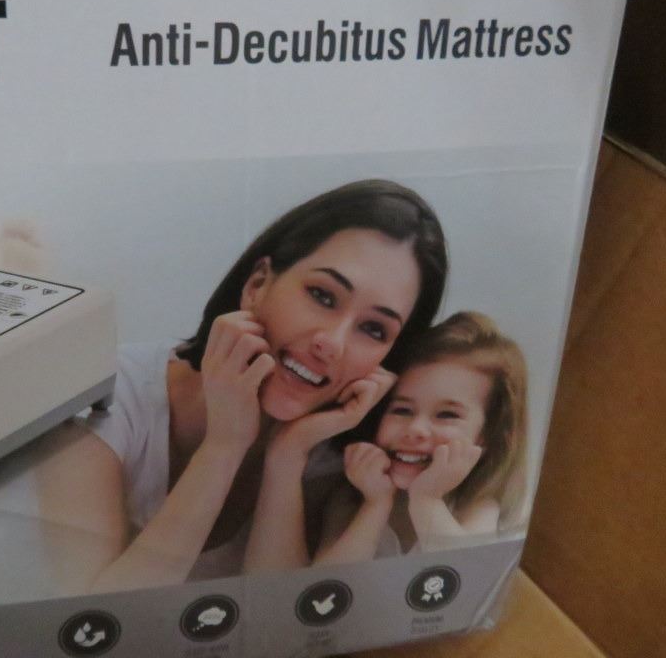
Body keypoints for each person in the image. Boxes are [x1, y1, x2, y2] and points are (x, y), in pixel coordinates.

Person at [35, 180, 447, 594]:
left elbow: (281, 618)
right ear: (257, 284)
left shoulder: (341, 458)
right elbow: (95, 621)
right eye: (323, 296)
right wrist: (224, 446)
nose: (333, 344)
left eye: (374, 329)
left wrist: (287, 457)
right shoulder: (97, 397)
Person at [308, 311, 528, 564]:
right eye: (402, 410)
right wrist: (375, 506)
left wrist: (427, 500)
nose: (416, 429)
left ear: (486, 436)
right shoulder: (351, 498)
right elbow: (325, 582)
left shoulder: (477, 506)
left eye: (446, 415)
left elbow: (466, 575)